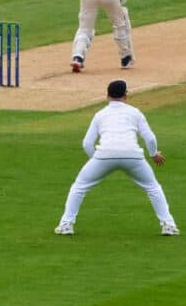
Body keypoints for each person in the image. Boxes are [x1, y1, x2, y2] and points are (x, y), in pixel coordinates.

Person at [57, 80, 178, 236]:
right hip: (133, 156)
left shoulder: (99, 114)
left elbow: (87, 143)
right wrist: (154, 154)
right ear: (126, 95)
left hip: (104, 155)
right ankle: (168, 225)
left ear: (107, 96)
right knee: (153, 188)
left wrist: (97, 160)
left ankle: (66, 225)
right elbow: (150, 139)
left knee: (79, 187)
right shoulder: (135, 112)